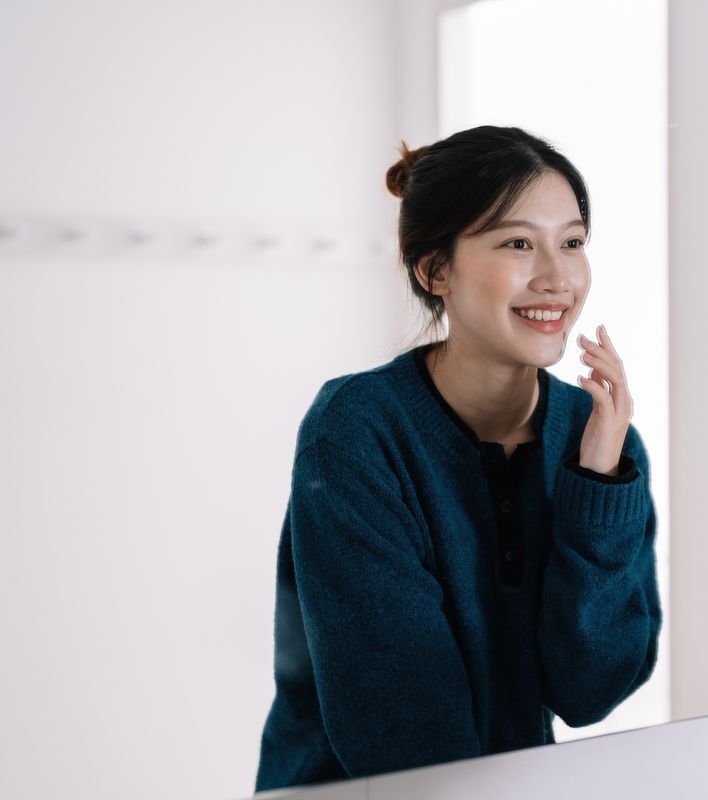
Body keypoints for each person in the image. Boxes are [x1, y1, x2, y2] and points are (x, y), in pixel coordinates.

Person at [255, 126, 661, 792]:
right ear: (435, 270)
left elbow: (589, 691)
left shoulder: (601, 440)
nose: (558, 278)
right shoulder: (356, 432)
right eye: (518, 243)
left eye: (573, 242)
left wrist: (598, 484)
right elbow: (404, 734)